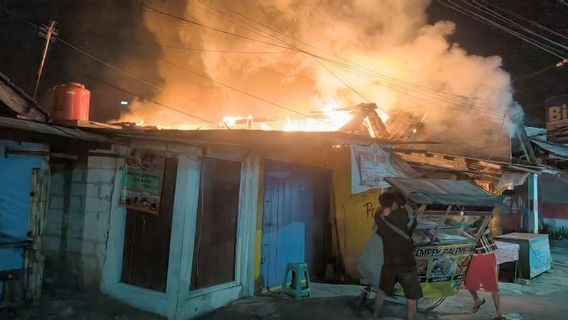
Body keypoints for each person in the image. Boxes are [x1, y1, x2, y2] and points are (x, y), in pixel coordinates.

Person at [372, 191, 422, 320]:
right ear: (394, 203)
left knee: (381, 292)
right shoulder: (401, 215)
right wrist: (414, 212)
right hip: (406, 265)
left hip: (389, 263)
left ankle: (375, 316)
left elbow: (380, 226)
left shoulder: (378, 217)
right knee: (411, 298)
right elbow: (410, 219)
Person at [464, 217, 504, 320]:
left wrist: (463, 230)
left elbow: (477, 234)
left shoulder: (483, 217)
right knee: (468, 281)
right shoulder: (469, 217)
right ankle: (477, 300)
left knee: (492, 284)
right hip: (475, 253)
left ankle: (499, 314)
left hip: (486, 253)